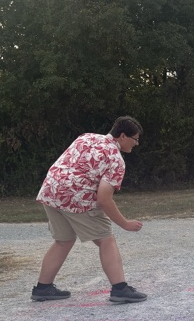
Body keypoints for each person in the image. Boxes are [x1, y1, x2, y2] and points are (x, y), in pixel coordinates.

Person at [32, 116, 147, 304]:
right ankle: (120, 289)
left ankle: (43, 288)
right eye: (135, 139)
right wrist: (125, 224)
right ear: (123, 136)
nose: (137, 143)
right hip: (77, 197)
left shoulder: (86, 137)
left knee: (63, 240)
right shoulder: (116, 159)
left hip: (51, 190)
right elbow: (104, 199)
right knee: (106, 240)